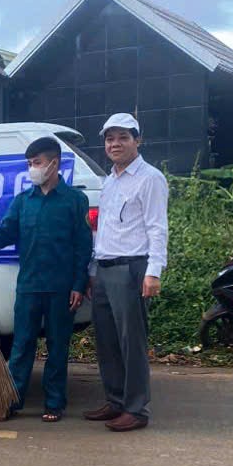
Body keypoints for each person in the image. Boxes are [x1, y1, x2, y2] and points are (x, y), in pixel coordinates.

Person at [0, 137, 93, 422]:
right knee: (21, 347)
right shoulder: (22, 202)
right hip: (29, 287)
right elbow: (3, 235)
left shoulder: (75, 201)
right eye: (29, 164)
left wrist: (78, 285)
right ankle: (11, 400)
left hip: (61, 289)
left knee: (58, 347)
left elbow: (83, 248)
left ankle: (54, 403)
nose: (32, 169)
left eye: (36, 163)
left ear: (53, 164)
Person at [83, 113, 168, 432]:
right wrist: (93, 270)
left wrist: (153, 271)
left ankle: (136, 409)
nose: (115, 144)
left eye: (123, 137)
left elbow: (157, 228)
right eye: (109, 138)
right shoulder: (111, 180)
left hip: (132, 268)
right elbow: (102, 229)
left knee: (130, 341)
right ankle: (116, 400)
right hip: (105, 270)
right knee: (106, 340)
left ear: (137, 140)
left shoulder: (150, 178)